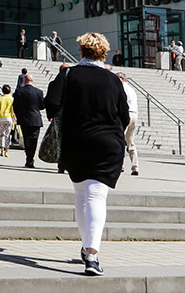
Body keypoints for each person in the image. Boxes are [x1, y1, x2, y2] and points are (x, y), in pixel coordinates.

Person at [60, 32, 129, 277]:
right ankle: (92, 254)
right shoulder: (114, 80)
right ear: (104, 52)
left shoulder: (71, 75)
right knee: (97, 196)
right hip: (108, 142)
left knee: (81, 194)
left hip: (77, 141)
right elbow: (125, 115)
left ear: (81, 50)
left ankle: (87, 248)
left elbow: (55, 105)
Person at [12, 73, 45, 168]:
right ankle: (30, 159)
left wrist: (18, 115)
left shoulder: (19, 91)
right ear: (32, 80)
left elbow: (15, 106)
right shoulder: (39, 92)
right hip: (35, 119)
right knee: (34, 140)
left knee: (26, 139)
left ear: (24, 81)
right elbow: (42, 106)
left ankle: (29, 159)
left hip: (24, 119)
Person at [45, 63, 71, 174]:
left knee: (60, 139)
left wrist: (51, 114)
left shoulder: (55, 83)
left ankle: (61, 163)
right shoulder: (71, 82)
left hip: (59, 114)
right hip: (70, 114)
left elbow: (50, 100)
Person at [118, 73, 140, 177]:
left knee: (120, 140)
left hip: (126, 114)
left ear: (121, 79)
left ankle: (120, 165)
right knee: (131, 141)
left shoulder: (121, 87)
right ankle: (135, 166)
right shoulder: (132, 89)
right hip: (134, 114)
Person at [0, 84, 15, 157]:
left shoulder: (0, 99)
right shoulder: (11, 99)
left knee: (2, 134)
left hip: (1, 118)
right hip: (9, 117)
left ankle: (2, 150)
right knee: (7, 135)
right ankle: (6, 151)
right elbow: (12, 110)